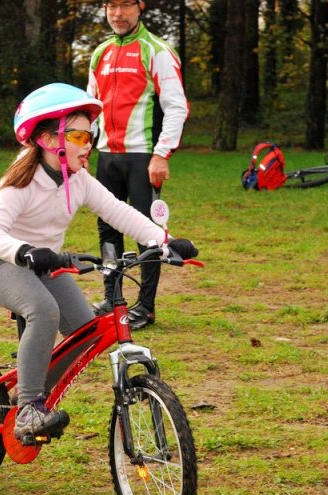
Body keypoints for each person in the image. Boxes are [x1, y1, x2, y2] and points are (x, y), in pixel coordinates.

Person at [0, 83, 197, 442]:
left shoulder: (78, 180)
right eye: (79, 136)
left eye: (91, 136)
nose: (89, 144)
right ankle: (29, 409)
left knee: (86, 331)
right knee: (43, 310)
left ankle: (22, 394)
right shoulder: (21, 181)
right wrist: (24, 251)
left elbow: (119, 211)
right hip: (0, 263)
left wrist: (164, 240)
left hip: (45, 264)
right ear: (49, 141)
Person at [87, 0, 190, 330]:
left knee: (148, 233)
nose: (118, 14)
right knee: (107, 230)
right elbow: (91, 108)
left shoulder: (156, 50)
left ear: (140, 7)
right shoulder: (100, 52)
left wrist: (162, 154)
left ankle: (145, 306)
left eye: (126, 6)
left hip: (143, 157)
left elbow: (176, 107)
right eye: (111, 6)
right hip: (106, 156)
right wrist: (83, 146)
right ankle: (112, 298)